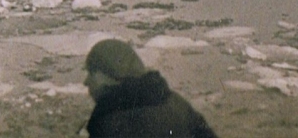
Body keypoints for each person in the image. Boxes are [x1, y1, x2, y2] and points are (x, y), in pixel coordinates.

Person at [83, 39, 218, 138]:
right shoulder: (177, 103)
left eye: (91, 73)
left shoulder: (111, 123)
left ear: (105, 77)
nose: (86, 82)